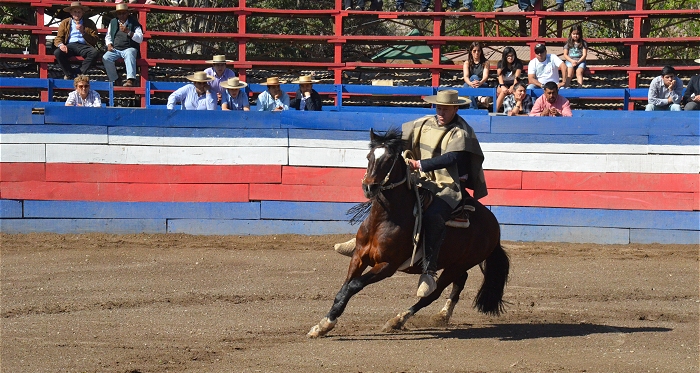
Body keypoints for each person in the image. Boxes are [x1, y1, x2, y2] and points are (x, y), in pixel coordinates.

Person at [402, 90, 488, 297]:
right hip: (419, 179)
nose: (441, 112)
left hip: (447, 185)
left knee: (434, 216)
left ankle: (429, 271)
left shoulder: (462, 131)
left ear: (455, 109)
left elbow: (452, 159)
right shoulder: (422, 123)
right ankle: (364, 242)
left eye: (446, 109)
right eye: (439, 108)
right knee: (389, 194)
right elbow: (402, 141)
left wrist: (419, 164)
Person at [53, 2, 99, 80]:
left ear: (82, 13)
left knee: (94, 53)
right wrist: (61, 45)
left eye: (79, 12)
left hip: (84, 45)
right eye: (75, 12)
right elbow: (58, 38)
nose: (77, 14)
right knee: (57, 52)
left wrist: (83, 32)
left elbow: (94, 39)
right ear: (71, 13)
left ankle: (79, 72)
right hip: (70, 45)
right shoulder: (65, 22)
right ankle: (69, 74)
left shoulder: (89, 23)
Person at [103, 3, 143, 87]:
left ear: (127, 13)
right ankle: (115, 79)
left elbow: (140, 39)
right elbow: (108, 36)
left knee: (129, 53)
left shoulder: (134, 23)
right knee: (106, 57)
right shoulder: (113, 22)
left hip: (129, 47)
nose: (121, 15)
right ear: (117, 14)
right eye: (119, 13)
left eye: (124, 13)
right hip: (116, 49)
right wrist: (109, 44)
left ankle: (130, 80)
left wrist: (128, 32)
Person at [462, 42, 491, 109]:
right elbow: (466, 77)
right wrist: (471, 83)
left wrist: (479, 83)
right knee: (474, 77)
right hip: (469, 83)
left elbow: (485, 77)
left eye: (478, 51)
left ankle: (473, 108)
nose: (476, 53)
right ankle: (480, 98)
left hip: (482, 84)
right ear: (471, 52)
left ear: (481, 52)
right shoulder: (467, 63)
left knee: (472, 88)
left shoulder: (486, 62)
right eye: (474, 51)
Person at [495, 46, 523, 112]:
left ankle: (521, 110)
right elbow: (500, 76)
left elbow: (517, 77)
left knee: (517, 92)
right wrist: (502, 86)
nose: (510, 58)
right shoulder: (500, 63)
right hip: (503, 83)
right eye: (508, 56)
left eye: (512, 56)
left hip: (514, 83)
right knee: (503, 92)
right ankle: (495, 110)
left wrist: (513, 86)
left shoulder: (518, 63)